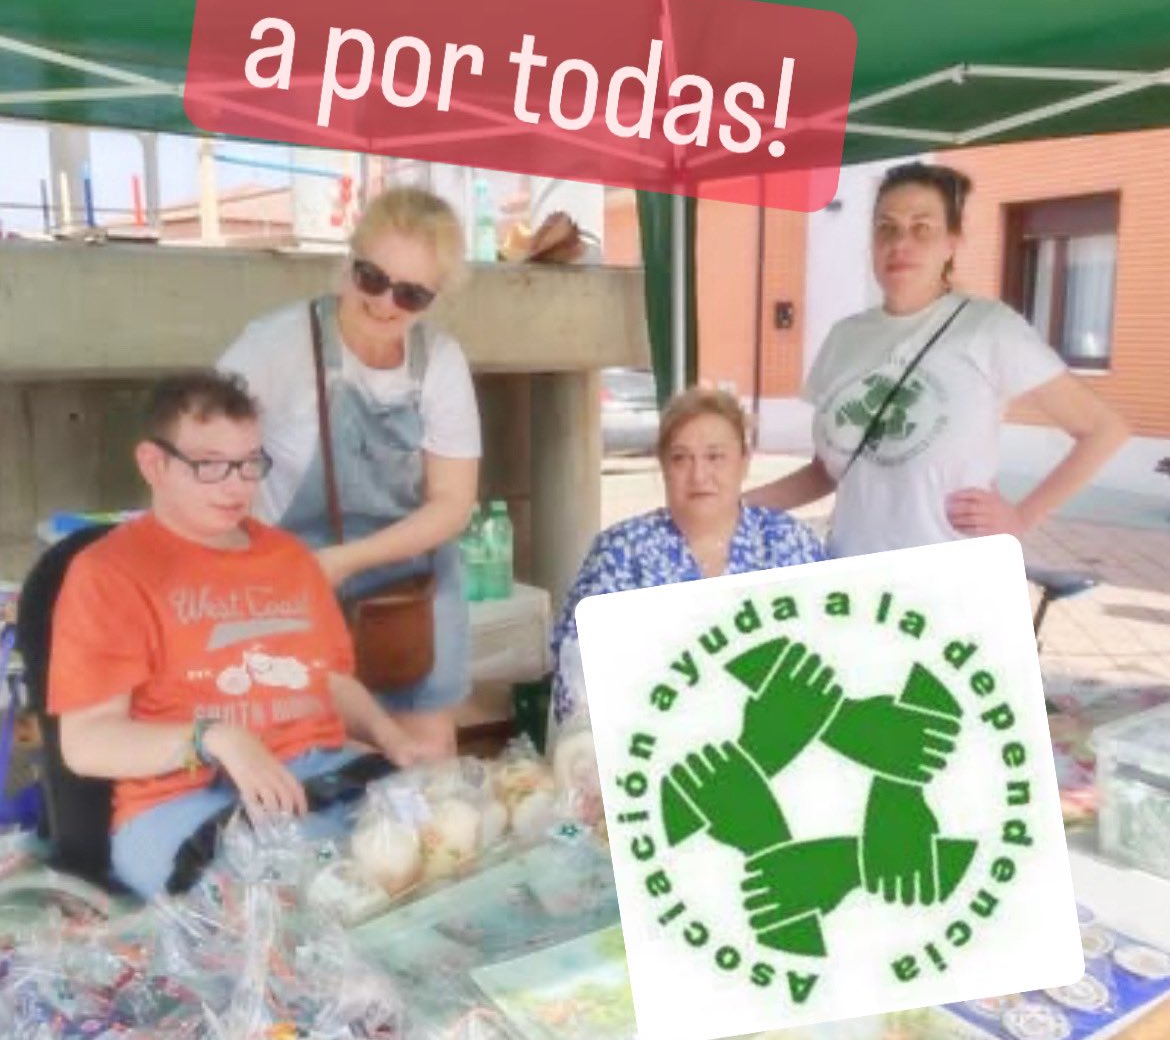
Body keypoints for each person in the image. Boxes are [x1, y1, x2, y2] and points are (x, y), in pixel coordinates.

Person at [47, 372, 431, 899]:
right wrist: (216, 738)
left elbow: (330, 681)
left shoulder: (290, 559)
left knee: (446, 847)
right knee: (305, 905)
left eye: (250, 463)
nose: (237, 486)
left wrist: (394, 740)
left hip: (320, 779)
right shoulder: (108, 574)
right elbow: (87, 743)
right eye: (210, 465)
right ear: (153, 463)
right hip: (185, 804)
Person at [748, 161, 1129, 559]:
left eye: (922, 228)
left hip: (948, 577)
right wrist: (732, 508)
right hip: (854, 572)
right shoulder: (845, 338)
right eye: (886, 227)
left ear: (951, 242)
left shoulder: (987, 327)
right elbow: (827, 471)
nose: (900, 243)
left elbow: (1104, 430)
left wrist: (1022, 517)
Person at [218, 186, 481, 756]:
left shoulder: (440, 362)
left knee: (425, 748)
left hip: (410, 586)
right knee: (310, 747)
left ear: (433, 301)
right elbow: (201, 455)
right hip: (293, 578)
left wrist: (345, 562)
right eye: (372, 278)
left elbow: (452, 503)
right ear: (348, 263)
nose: (386, 303)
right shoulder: (274, 347)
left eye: (411, 294)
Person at [549, 387, 825, 725]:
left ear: (743, 461)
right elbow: (577, 674)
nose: (698, 475)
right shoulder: (620, 551)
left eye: (715, 457)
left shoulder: (789, 542)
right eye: (681, 458)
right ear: (663, 466)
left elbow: (829, 648)